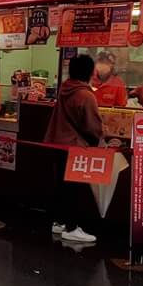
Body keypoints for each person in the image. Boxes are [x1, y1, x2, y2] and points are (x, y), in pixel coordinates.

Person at [45, 53, 104, 246]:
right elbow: (92, 126)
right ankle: (72, 228)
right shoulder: (86, 95)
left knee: (61, 185)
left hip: (57, 142)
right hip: (75, 146)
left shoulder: (65, 89)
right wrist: (100, 141)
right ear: (89, 72)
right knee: (75, 187)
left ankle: (59, 222)